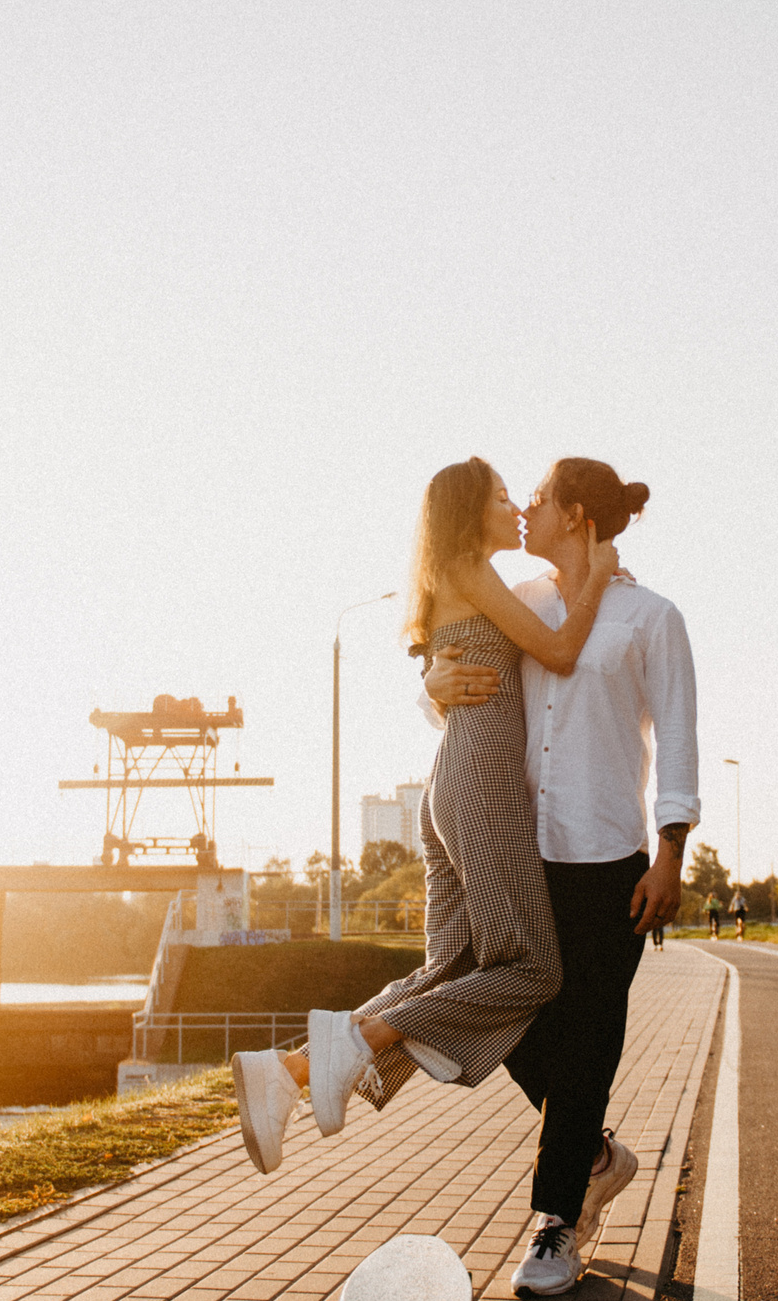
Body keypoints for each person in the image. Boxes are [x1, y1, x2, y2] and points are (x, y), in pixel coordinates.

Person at [230, 458, 616, 1175]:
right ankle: (356, 1045)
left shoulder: (459, 574)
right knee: (533, 970)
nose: (515, 507)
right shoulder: (470, 565)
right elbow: (560, 652)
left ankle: (286, 1074)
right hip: (480, 783)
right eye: (503, 497)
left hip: (455, 780)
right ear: (471, 513)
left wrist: (433, 680)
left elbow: (466, 663)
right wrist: (599, 573)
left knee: (454, 966)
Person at [424, 457, 697, 1297]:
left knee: (587, 1040)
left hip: (610, 858)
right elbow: (464, 691)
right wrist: (431, 681)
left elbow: (680, 734)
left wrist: (670, 850)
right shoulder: (526, 608)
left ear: (576, 514)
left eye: (538, 498)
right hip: (520, 848)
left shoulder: (650, 616)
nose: (526, 509)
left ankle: (555, 1225)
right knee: (508, 1009)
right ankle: (597, 1156)